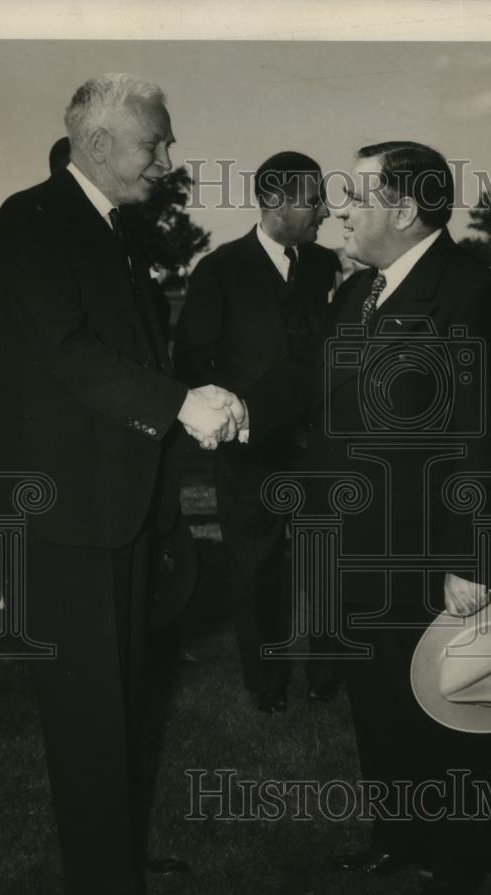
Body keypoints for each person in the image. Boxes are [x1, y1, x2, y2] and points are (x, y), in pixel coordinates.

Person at [0, 72, 243, 895]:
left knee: (124, 691)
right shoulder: (32, 220)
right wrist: (179, 404)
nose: (167, 158)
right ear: (97, 146)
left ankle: (116, 849)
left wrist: (191, 392)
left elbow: (132, 354)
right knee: (87, 705)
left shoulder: (115, 231)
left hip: (119, 501)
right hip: (68, 511)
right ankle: (102, 885)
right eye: (154, 142)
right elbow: (68, 351)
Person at [243, 141, 491, 895]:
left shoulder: (475, 298)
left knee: (453, 713)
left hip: (436, 558)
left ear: (404, 211)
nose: (339, 208)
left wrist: (473, 562)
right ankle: (395, 837)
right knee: (377, 703)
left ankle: (457, 861)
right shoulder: (355, 296)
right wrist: (229, 408)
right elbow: (309, 390)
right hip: (355, 549)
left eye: (355, 196)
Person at [174, 151, 341, 713]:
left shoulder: (326, 267)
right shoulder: (219, 269)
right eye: (312, 198)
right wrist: (228, 419)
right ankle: (266, 684)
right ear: (273, 202)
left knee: (329, 562)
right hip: (250, 456)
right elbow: (193, 359)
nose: (324, 208)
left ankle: (326, 676)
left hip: (319, 449)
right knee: (256, 567)